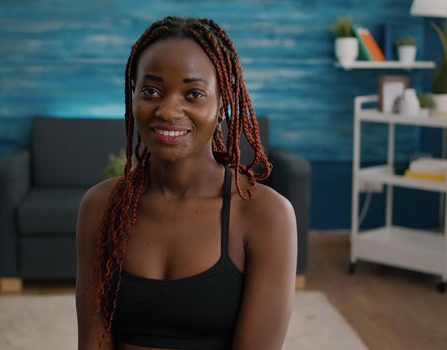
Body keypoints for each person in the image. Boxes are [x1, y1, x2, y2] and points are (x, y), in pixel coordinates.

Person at [76, 16, 297, 350]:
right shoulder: (101, 206)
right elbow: (93, 341)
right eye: (151, 90)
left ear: (222, 104)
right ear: (132, 95)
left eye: (193, 93)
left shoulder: (265, 215)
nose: (167, 110)